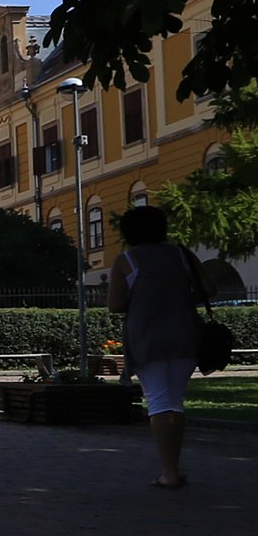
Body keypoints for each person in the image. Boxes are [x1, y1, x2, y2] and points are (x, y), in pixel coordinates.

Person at [107, 204, 205, 489]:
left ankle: (170, 471)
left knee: (159, 402)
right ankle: (174, 465)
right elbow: (207, 289)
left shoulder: (126, 260)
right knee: (175, 400)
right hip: (185, 336)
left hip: (147, 338)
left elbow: (115, 304)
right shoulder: (182, 254)